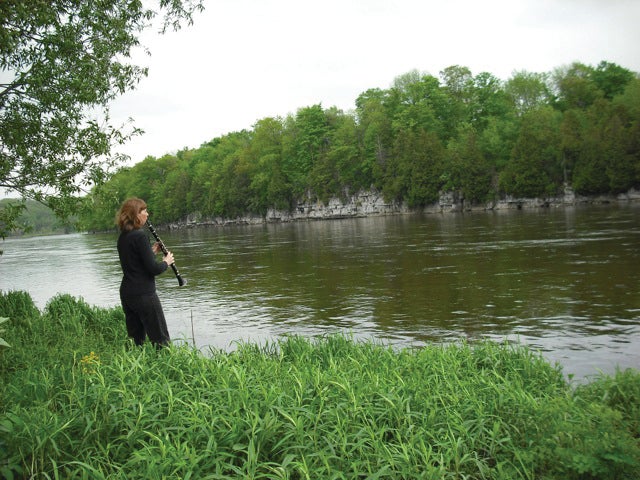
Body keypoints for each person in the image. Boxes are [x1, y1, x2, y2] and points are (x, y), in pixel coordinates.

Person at [116, 198, 174, 347]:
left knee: (137, 341)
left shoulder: (123, 236)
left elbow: (135, 263)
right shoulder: (140, 235)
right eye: (144, 211)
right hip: (144, 294)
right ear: (136, 214)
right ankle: (167, 367)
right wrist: (166, 262)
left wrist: (151, 252)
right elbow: (153, 269)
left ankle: (137, 366)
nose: (147, 214)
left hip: (128, 293)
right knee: (161, 340)